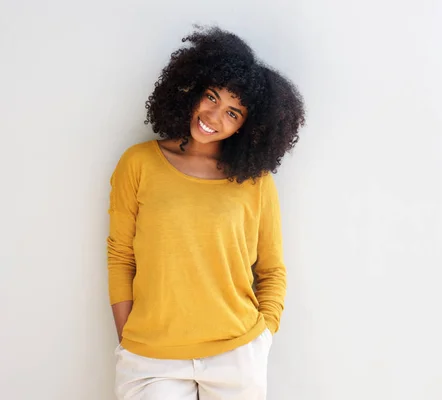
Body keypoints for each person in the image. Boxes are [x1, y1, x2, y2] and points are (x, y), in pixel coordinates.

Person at [107, 26, 305, 400]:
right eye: (211, 97)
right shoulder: (139, 163)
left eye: (233, 113)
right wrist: (128, 334)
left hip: (237, 353)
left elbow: (272, 269)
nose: (214, 116)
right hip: (152, 357)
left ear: (248, 126)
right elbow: (120, 255)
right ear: (195, 88)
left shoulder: (255, 182)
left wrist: (262, 337)